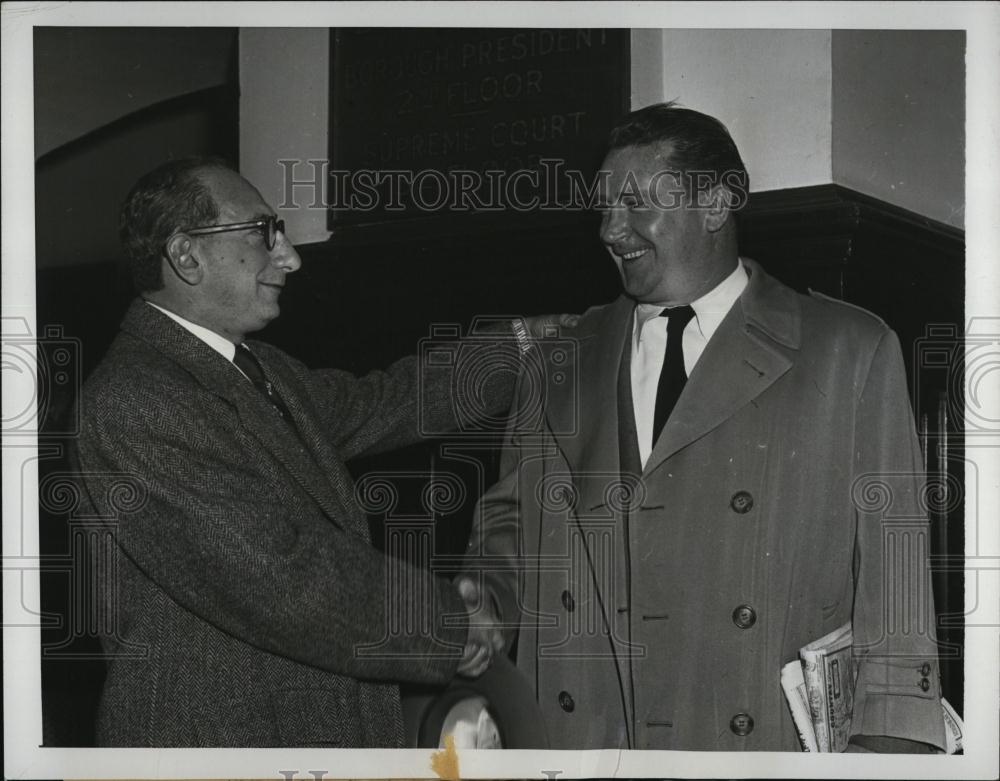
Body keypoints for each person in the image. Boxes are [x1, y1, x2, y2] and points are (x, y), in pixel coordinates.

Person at [462, 102, 947, 752]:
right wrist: (483, 597)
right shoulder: (557, 362)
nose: (610, 229)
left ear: (715, 204)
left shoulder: (848, 351)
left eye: (635, 203)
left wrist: (889, 747)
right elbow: (512, 527)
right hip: (584, 740)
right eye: (603, 207)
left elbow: (896, 573)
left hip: (756, 744)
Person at [72, 157, 557, 747]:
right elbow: (272, 573)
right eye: (263, 232)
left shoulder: (256, 368)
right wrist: (448, 625)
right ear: (186, 255)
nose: (290, 257)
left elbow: (385, 402)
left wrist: (525, 345)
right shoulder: (136, 399)